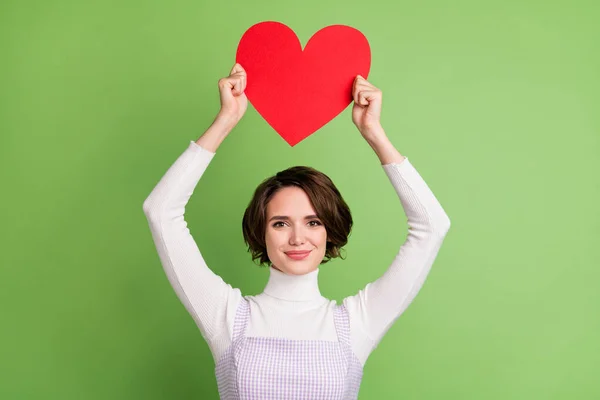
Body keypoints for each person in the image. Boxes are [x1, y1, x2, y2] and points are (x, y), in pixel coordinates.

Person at [142, 63, 451, 399]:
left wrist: (373, 132)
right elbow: (160, 211)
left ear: (329, 231)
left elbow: (432, 226)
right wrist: (225, 120)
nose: (297, 238)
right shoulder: (228, 318)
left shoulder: (356, 324)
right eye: (280, 223)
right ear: (261, 232)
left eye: (313, 222)